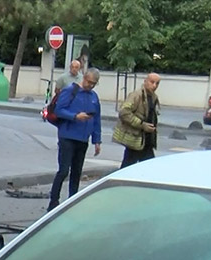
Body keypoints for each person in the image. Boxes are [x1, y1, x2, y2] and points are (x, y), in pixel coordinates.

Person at [48, 68, 102, 211]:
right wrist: (75, 116)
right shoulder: (70, 91)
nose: (90, 85)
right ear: (84, 77)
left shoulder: (94, 97)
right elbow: (59, 110)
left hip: (83, 139)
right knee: (64, 170)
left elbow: (96, 119)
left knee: (77, 171)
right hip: (67, 136)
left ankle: (72, 200)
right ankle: (53, 201)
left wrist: (97, 140)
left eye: (94, 83)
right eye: (89, 82)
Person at [113, 73, 161, 169]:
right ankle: (122, 182)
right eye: (152, 82)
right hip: (135, 140)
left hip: (146, 140)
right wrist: (142, 125)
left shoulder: (153, 97)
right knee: (129, 167)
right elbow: (124, 112)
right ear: (145, 81)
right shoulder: (136, 95)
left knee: (147, 167)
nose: (154, 86)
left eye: (157, 83)